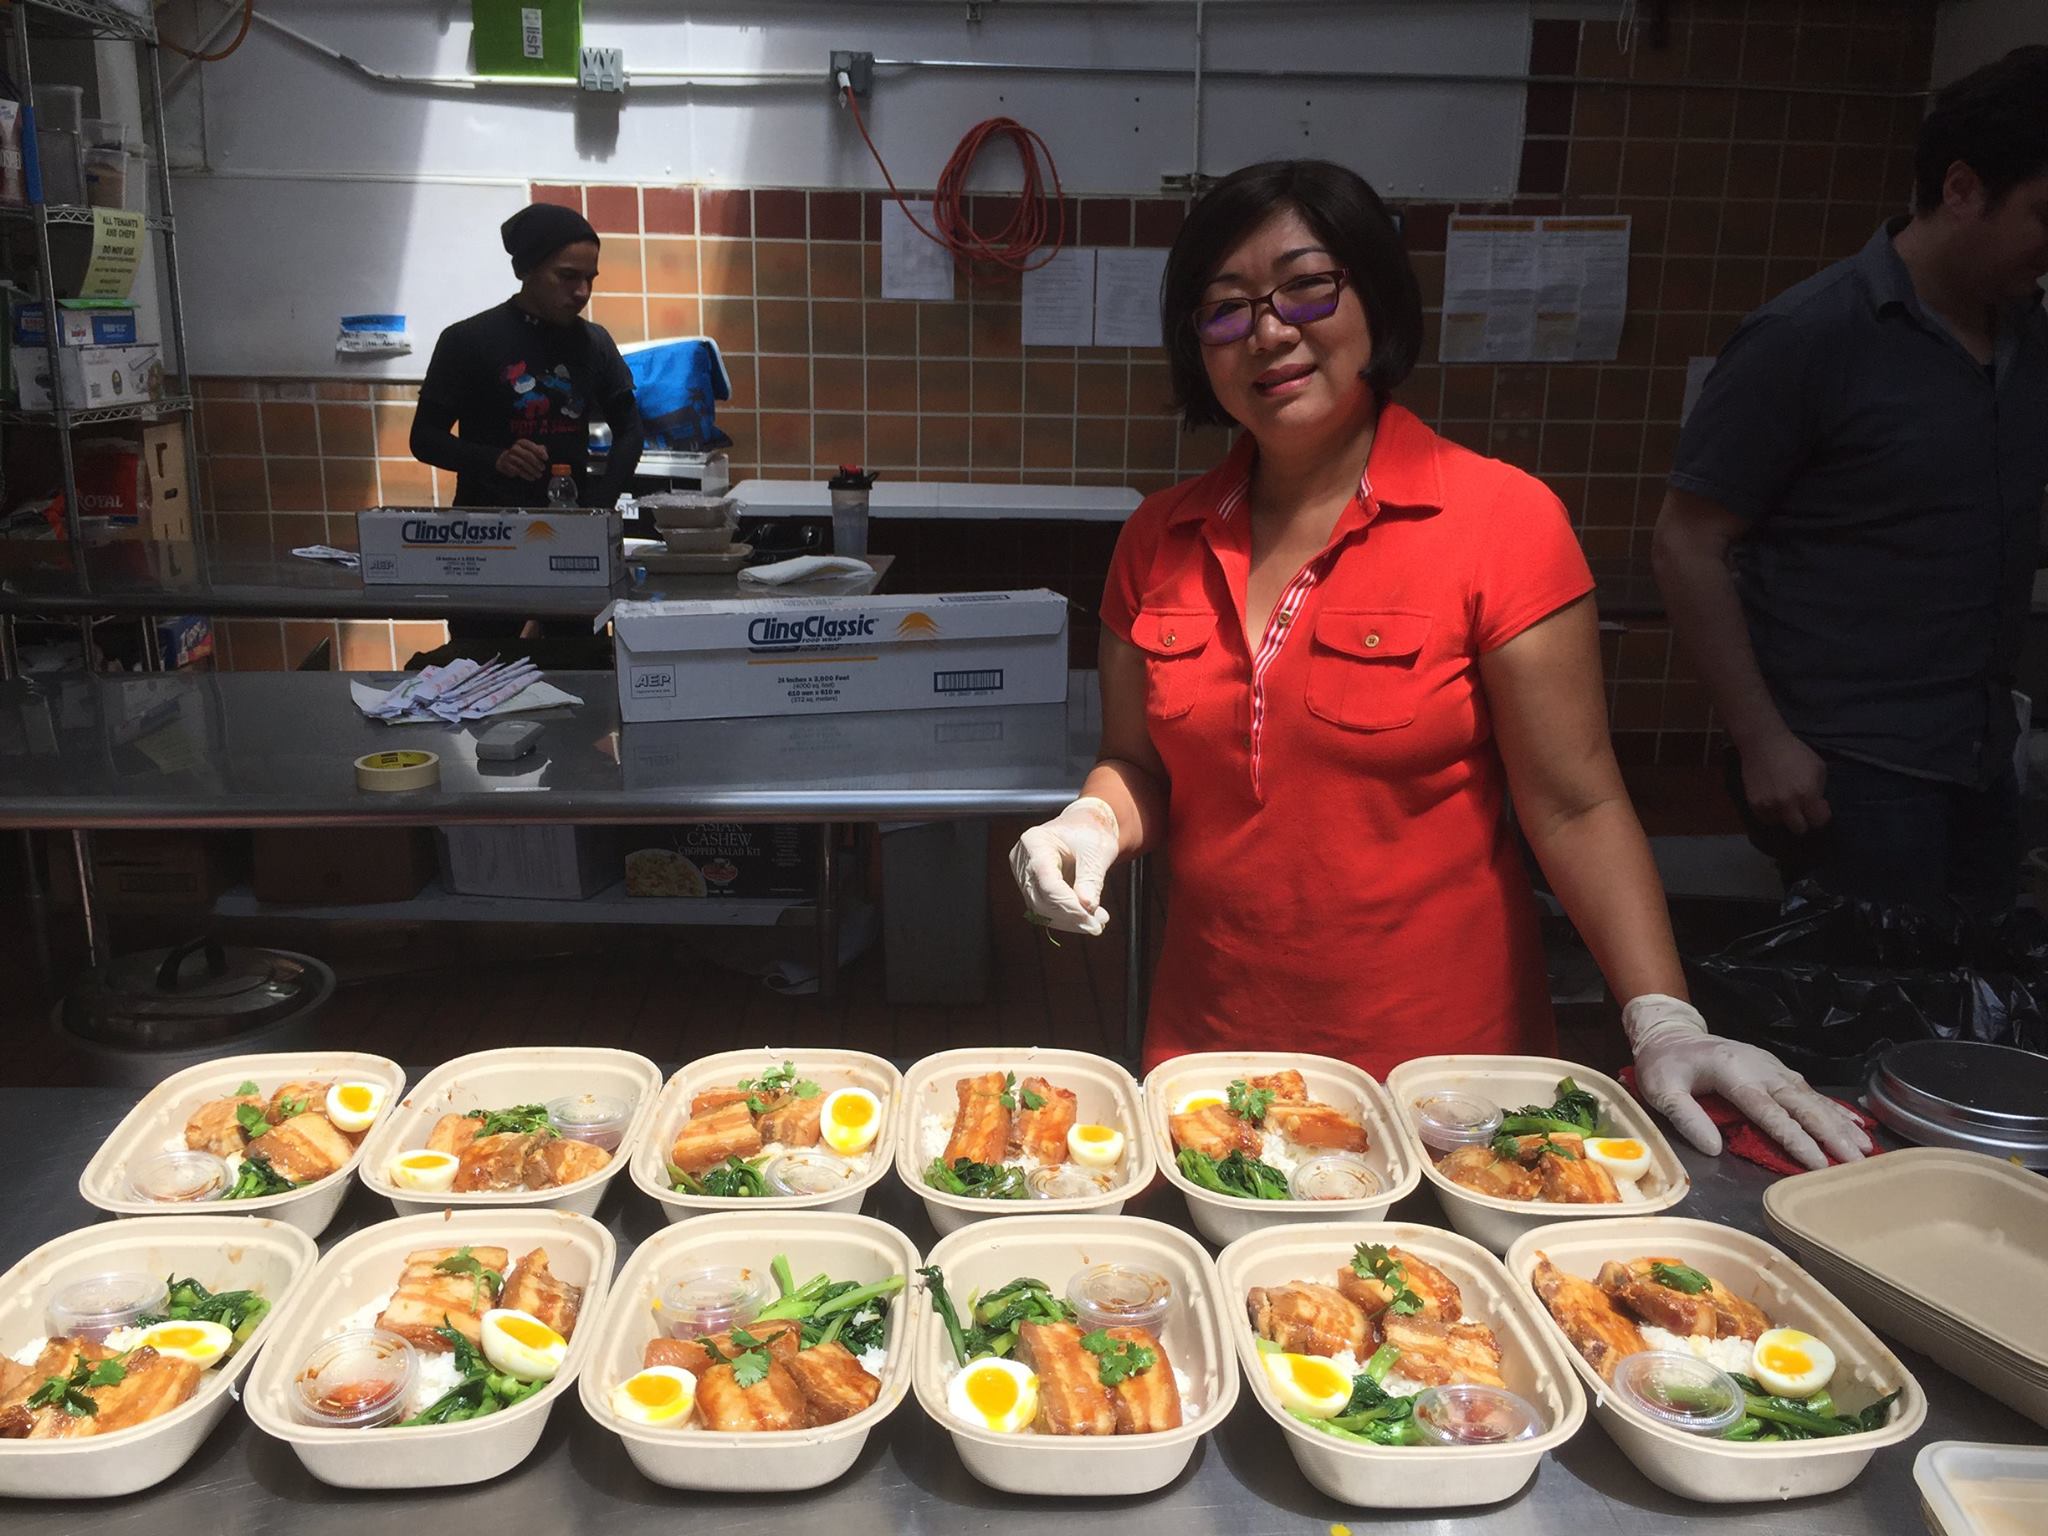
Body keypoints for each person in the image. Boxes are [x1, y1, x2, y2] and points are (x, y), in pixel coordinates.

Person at [1009, 159, 1868, 1170]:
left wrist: (1662, 1017)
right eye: (1225, 309)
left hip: (1445, 1083)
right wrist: (1091, 820)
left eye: (1304, 286)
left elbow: (1575, 805)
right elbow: (1138, 760)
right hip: (1211, 1067)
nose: (1269, 330)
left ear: (1372, 294)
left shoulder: (1498, 522)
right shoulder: (1157, 538)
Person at [1653, 47, 2048, 917]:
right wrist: (1761, 742)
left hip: (1981, 754)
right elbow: (1687, 540)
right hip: (1847, 769)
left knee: (1971, 1026)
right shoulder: (1812, 335)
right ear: (1961, 190)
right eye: (2042, 215)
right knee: (1856, 1026)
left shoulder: (2029, 342)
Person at [410, 204, 645, 645]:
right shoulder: (468, 340)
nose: (581, 291)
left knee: (579, 676)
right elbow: (424, 439)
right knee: (481, 676)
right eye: (567, 276)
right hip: (486, 543)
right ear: (528, 270)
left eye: (590, 279)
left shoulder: (593, 344)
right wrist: (494, 459)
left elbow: (631, 431)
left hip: (570, 546)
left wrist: (598, 509)